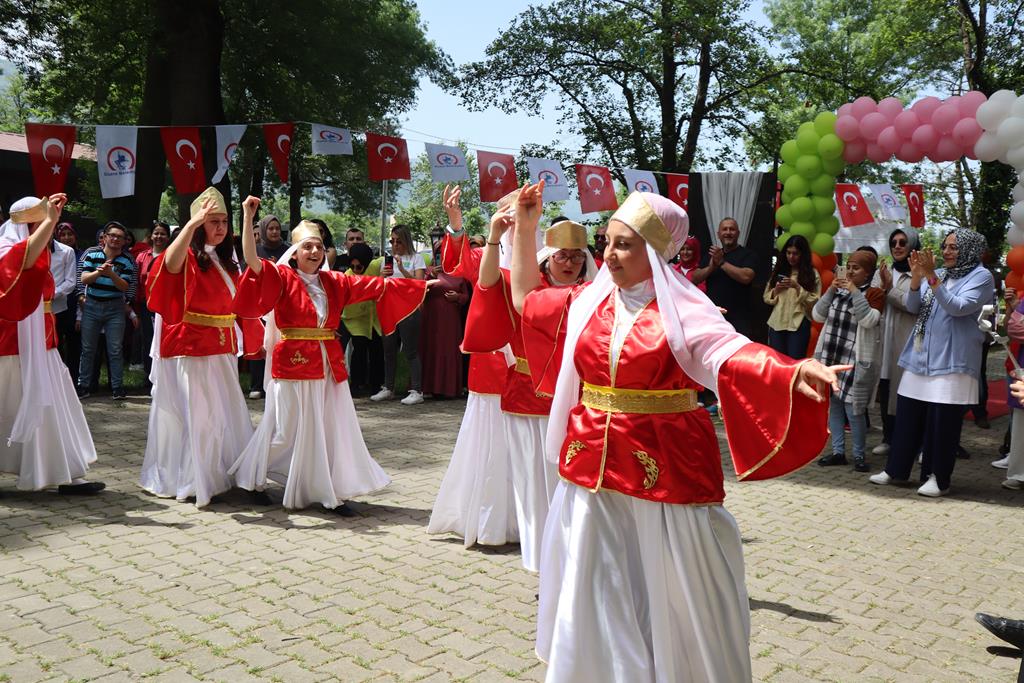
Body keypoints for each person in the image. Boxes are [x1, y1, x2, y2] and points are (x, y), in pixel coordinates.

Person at [509, 185, 842, 682]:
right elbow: (523, 301)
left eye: (626, 244)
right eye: (609, 241)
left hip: (662, 470)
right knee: (592, 579)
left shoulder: (686, 313)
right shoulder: (585, 302)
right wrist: (526, 228)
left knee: (670, 582)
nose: (610, 254)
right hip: (591, 469)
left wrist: (791, 371)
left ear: (657, 251)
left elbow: (730, 353)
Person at [232, 204, 426, 512]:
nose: (314, 251)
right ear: (294, 252)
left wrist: (419, 286)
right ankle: (251, 477)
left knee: (328, 430)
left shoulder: (334, 282)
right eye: (307, 246)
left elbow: (377, 285)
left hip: (328, 366)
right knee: (284, 429)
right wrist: (247, 218)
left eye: (319, 246)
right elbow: (252, 261)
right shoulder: (281, 277)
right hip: (292, 364)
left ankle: (328, 492)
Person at [461, 188, 597, 573]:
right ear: (547, 257)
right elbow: (486, 280)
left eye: (575, 255)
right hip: (525, 398)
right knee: (532, 485)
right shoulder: (524, 288)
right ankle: (542, 561)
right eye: (561, 255)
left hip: (576, 403)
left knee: (569, 482)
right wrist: (493, 235)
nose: (568, 262)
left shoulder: (593, 294)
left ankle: (576, 556)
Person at [140, 187, 263, 507]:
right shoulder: (189, 257)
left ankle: (228, 472)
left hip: (221, 347)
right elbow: (168, 264)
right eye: (213, 222)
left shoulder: (226, 261)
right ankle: (194, 478)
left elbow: (246, 285)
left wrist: (247, 217)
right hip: (188, 346)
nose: (220, 227)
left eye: (224, 221)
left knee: (224, 413)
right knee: (198, 415)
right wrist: (192, 225)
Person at [870, 229, 994, 497]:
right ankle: (897, 470)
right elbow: (914, 306)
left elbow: (958, 307)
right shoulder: (942, 274)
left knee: (943, 424)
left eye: (953, 248)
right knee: (907, 416)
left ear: (970, 250)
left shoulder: (982, 277)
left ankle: (937, 477)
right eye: (945, 246)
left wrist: (931, 277)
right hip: (920, 355)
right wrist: (916, 279)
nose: (946, 252)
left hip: (953, 361)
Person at [428, 184, 517, 548]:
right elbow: (457, 264)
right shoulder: (485, 256)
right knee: (491, 439)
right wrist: (456, 222)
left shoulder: (549, 255)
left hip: (534, 368)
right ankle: (488, 517)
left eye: (523, 212)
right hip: (492, 363)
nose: (514, 220)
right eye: (508, 213)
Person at [0, 195, 103, 495]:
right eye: (38, 224)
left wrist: (49, 219)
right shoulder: (7, 250)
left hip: (42, 344)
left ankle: (65, 472)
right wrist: (51, 220)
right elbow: (22, 261)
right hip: (11, 347)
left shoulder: (34, 252)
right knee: (8, 408)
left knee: (54, 408)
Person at [812, 250, 884, 472]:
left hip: (855, 360)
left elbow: (869, 320)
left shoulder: (874, 293)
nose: (850, 271)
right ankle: (838, 452)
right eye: (848, 266)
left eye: (856, 268)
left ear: (868, 272)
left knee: (854, 409)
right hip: (832, 356)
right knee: (834, 406)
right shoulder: (836, 292)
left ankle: (859, 455)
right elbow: (817, 315)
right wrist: (832, 290)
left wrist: (853, 291)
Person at [76, 221, 136, 400]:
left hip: (115, 307)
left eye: (120, 237)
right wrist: (99, 272)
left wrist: (111, 274)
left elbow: (125, 286)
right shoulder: (92, 254)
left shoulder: (127, 260)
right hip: (92, 306)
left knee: (115, 349)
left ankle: (117, 387)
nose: (116, 239)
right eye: (113, 235)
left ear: (125, 241)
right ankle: (83, 385)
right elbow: (84, 278)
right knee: (87, 348)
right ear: (105, 237)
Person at [875, 227, 922, 456]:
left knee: (902, 390)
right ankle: (888, 437)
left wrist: (888, 289)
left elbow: (913, 305)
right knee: (884, 387)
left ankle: (909, 441)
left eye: (903, 242)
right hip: (882, 337)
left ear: (912, 245)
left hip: (906, 339)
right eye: (893, 242)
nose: (897, 246)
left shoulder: (919, 272)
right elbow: (872, 300)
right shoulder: (883, 271)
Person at [372, 225, 426, 405]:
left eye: (399, 241)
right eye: (392, 241)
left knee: (410, 351)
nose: (395, 245)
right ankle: (388, 388)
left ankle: (417, 391)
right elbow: (379, 286)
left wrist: (402, 269)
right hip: (389, 309)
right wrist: (381, 275)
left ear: (406, 241)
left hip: (409, 310)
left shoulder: (416, 258)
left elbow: (419, 284)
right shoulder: (385, 260)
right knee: (388, 350)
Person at [691, 217, 758, 337]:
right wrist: (711, 267)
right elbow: (695, 278)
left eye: (732, 229)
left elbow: (746, 277)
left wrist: (722, 263)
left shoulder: (748, 255)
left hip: (740, 319)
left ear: (738, 233)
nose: (728, 232)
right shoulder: (712, 256)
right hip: (714, 316)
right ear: (718, 234)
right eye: (724, 229)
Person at [764, 235, 820, 359]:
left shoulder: (812, 273)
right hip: (777, 322)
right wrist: (776, 290)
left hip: (799, 323)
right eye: (788, 253)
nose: (791, 257)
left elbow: (815, 300)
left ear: (803, 254)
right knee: (777, 362)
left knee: (795, 362)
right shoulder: (779, 271)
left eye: (795, 253)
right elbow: (766, 297)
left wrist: (797, 287)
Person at [420, 264, 470, 398]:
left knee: (449, 349)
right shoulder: (430, 271)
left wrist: (458, 297)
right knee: (432, 349)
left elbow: (466, 296)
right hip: (432, 319)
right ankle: (429, 387)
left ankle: (449, 388)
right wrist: (430, 276)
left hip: (450, 320)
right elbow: (420, 289)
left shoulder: (459, 273)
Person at [135, 222, 171, 383]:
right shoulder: (142, 257)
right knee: (148, 339)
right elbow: (136, 282)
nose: (159, 237)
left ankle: (166, 376)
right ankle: (149, 376)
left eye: (163, 233)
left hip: (168, 306)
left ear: (168, 237)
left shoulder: (172, 254)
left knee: (166, 339)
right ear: (151, 236)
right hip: (146, 305)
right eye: (156, 233)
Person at [49, 224, 79, 378]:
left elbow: (71, 281)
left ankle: (65, 381)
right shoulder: (30, 249)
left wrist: (52, 293)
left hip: (59, 307)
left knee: (58, 346)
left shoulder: (67, 251)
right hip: (34, 309)